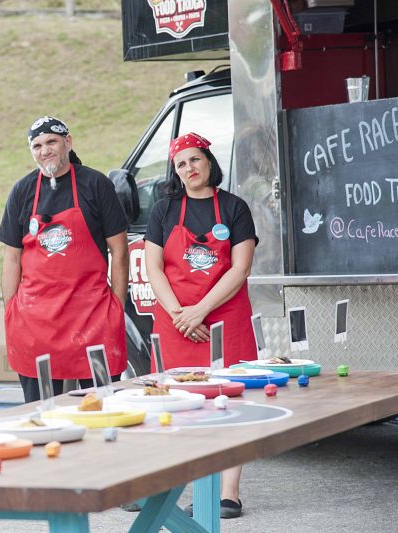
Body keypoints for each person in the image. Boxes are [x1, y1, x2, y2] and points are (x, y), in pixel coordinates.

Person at [144, 132, 258, 519]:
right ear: (175, 173)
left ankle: (228, 492)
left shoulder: (234, 207)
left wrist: (200, 311)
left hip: (224, 318)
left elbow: (240, 268)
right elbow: (153, 267)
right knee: (179, 404)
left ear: (209, 162)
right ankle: (182, 486)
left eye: (195, 160)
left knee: (231, 402)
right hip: (177, 320)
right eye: (181, 164)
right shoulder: (162, 210)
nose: (189, 168)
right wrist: (180, 313)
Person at [0, 116, 129, 403]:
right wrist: (11, 310)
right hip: (35, 323)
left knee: (100, 406)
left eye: (52, 142)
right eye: (37, 145)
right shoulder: (22, 191)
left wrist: (116, 306)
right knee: (42, 411)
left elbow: (119, 250)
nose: (45, 150)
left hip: (92, 319)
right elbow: (11, 258)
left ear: (67, 142)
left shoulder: (96, 185)